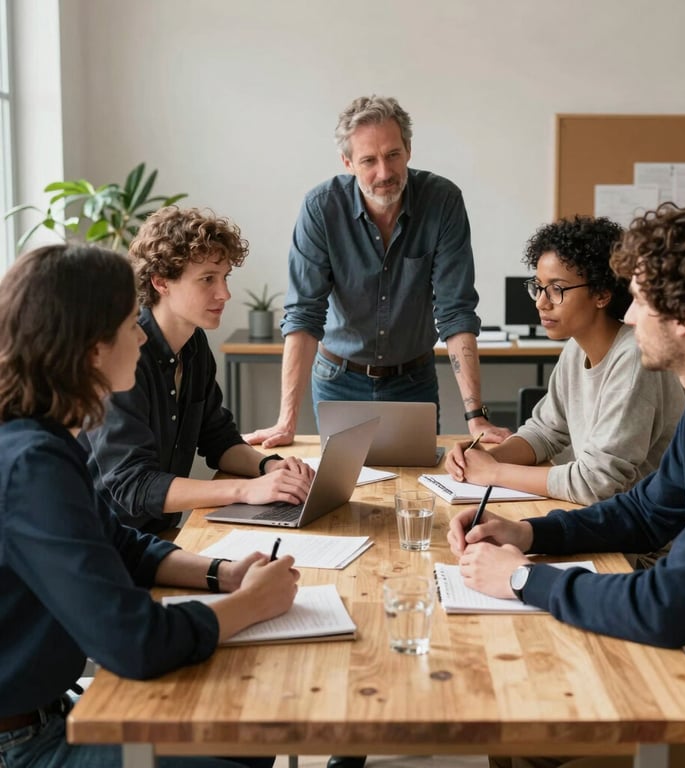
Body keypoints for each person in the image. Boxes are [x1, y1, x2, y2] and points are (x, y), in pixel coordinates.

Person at [447, 204, 685, 768]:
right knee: (519, 738)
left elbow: (669, 606)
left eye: (641, 298)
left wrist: (521, 579)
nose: (630, 311)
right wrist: (524, 532)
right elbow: (644, 514)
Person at [0, 243, 300, 767]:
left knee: (250, 737)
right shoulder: (31, 467)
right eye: (127, 324)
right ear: (92, 348)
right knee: (247, 741)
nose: (140, 334)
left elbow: (122, 545)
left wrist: (224, 575)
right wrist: (253, 604)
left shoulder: (44, 438)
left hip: (52, 711)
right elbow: (134, 642)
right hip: (24, 745)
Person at [243, 95, 511, 451]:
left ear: (409, 150)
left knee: (416, 494)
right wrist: (286, 421)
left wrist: (475, 416)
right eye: (369, 160)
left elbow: (455, 310)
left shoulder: (442, 201)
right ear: (348, 162)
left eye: (393, 155)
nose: (384, 173)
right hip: (338, 379)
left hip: (413, 380)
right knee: (342, 489)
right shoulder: (321, 208)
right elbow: (304, 316)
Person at [81, 207, 314, 534]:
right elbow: (133, 485)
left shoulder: (194, 345)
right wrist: (246, 490)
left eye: (224, 278)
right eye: (207, 279)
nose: (225, 294)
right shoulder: (124, 356)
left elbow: (218, 439)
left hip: (157, 537)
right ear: (161, 283)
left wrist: (271, 467)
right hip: (108, 545)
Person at [447, 215, 685, 507]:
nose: (540, 302)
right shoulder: (576, 348)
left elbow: (597, 484)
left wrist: (495, 472)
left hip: (636, 544)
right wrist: (482, 458)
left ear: (601, 294)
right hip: (596, 517)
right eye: (538, 286)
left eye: (557, 289)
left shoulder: (634, 359)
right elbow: (545, 431)